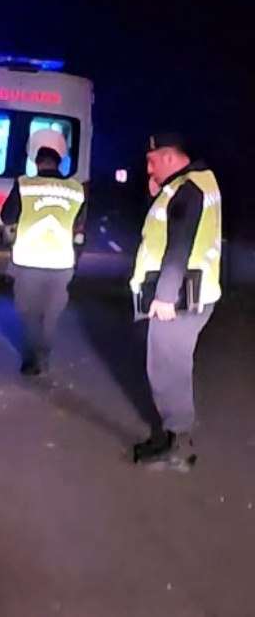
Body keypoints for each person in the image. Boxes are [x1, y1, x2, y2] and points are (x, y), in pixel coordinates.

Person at [130, 133, 222, 471]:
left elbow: (179, 243)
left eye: (152, 159)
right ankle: (168, 436)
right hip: (194, 292)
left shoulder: (187, 189)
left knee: (167, 370)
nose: (148, 166)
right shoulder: (198, 181)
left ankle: (178, 446)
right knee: (169, 367)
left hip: (180, 296)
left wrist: (165, 296)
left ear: (169, 157)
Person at [0, 146, 86, 375]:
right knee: (51, 312)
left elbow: (6, 216)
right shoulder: (76, 189)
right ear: (59, 165)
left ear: (37, 164)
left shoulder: (25, 184)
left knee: (28, 312)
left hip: (29, 259)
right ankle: (44, 355)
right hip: (61, 261)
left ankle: (31, 360)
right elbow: (80, 221)